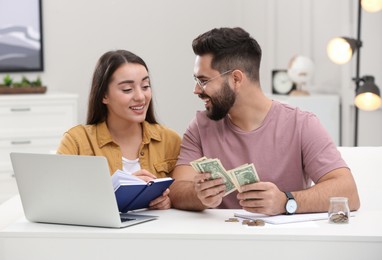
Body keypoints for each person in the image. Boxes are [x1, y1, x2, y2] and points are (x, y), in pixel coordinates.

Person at [169, 27, 360, 215]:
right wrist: (198, 195)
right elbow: (176, 190)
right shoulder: (201, 126)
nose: (196, 89)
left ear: (236, 79)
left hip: (284, 243)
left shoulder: (302, 124)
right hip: (221, 242)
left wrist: (286, 201)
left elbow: (349, 193)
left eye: (203, 80)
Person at [57, 50, 181, 210]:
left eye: (145, 86)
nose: (141, 97)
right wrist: (117, 190)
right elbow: (59, 199)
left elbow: (182, 193)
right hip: (100, 234)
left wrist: (170, 202)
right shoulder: (76, 141)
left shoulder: (170, 140)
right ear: (104, 96)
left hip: (154, 233)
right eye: (127, 89)